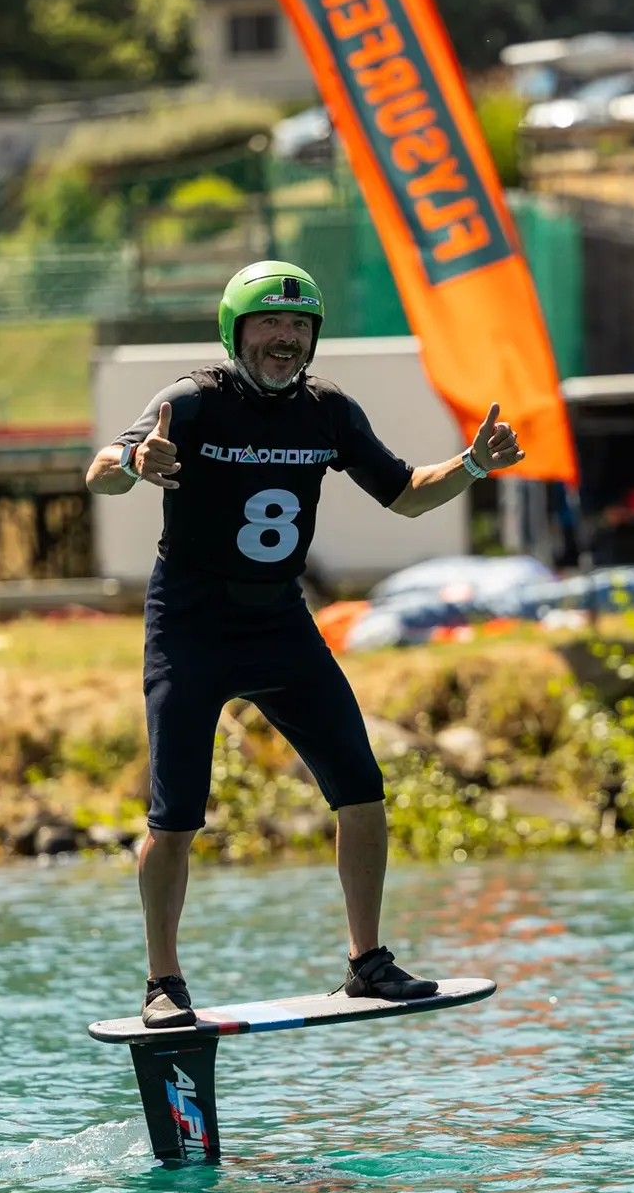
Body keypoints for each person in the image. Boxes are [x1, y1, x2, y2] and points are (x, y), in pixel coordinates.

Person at [84, 260, 526, 1028]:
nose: (286, 338)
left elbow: (405, 493)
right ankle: (164, 984)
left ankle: (368, 964)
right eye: (270, 324)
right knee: (175, 818)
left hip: (280, 621)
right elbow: (100, 475)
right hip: (190, 625)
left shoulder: (328, 412)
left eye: (299, 326)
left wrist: (473, 465)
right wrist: (132, 461)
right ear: (236, 333)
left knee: (362, 793)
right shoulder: (189, 401)